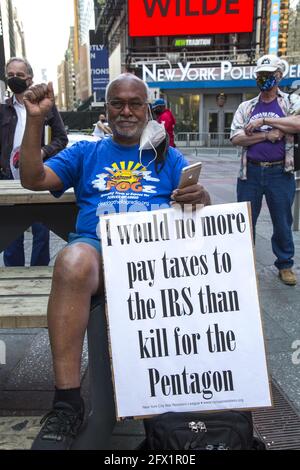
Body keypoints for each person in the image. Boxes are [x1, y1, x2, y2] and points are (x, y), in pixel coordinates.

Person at [20, 73, 211, 450]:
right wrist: (35, 120)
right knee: (70, 260)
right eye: (117, 103)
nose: (126, 111)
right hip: (98, 257)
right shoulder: (86, 152)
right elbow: (32, 177)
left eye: (134, 103)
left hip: (152, 265)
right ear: (106, 108)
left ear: (148, 109)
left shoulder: (168, 157)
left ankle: (169, 406)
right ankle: (67, 403)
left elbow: (201, 215)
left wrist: (201, 197)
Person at [231, 54, 300, 286]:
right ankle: (243, 264)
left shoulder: (289, 102)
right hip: (249, 173)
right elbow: (236, 137)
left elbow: (297, 123)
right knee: (245, 221)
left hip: (280, 172)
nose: (263, 79)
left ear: (279, 76)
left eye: (268, 75)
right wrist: (267, 135)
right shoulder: (246, 106)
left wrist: (262, 122)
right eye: (260, 75)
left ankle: (285, 264)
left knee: (282, 220)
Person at [0, 57, 68, 266]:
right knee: (11, 235)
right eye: (10, 75)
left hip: (39, 176)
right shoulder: (3, 110)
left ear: (29, 78)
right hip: (8, 179)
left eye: (19, 75)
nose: (14, 79)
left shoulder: (46, 108)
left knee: (41, 232)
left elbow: (61, 138)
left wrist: (42, 152)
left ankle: (40, 272)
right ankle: (14, 278)